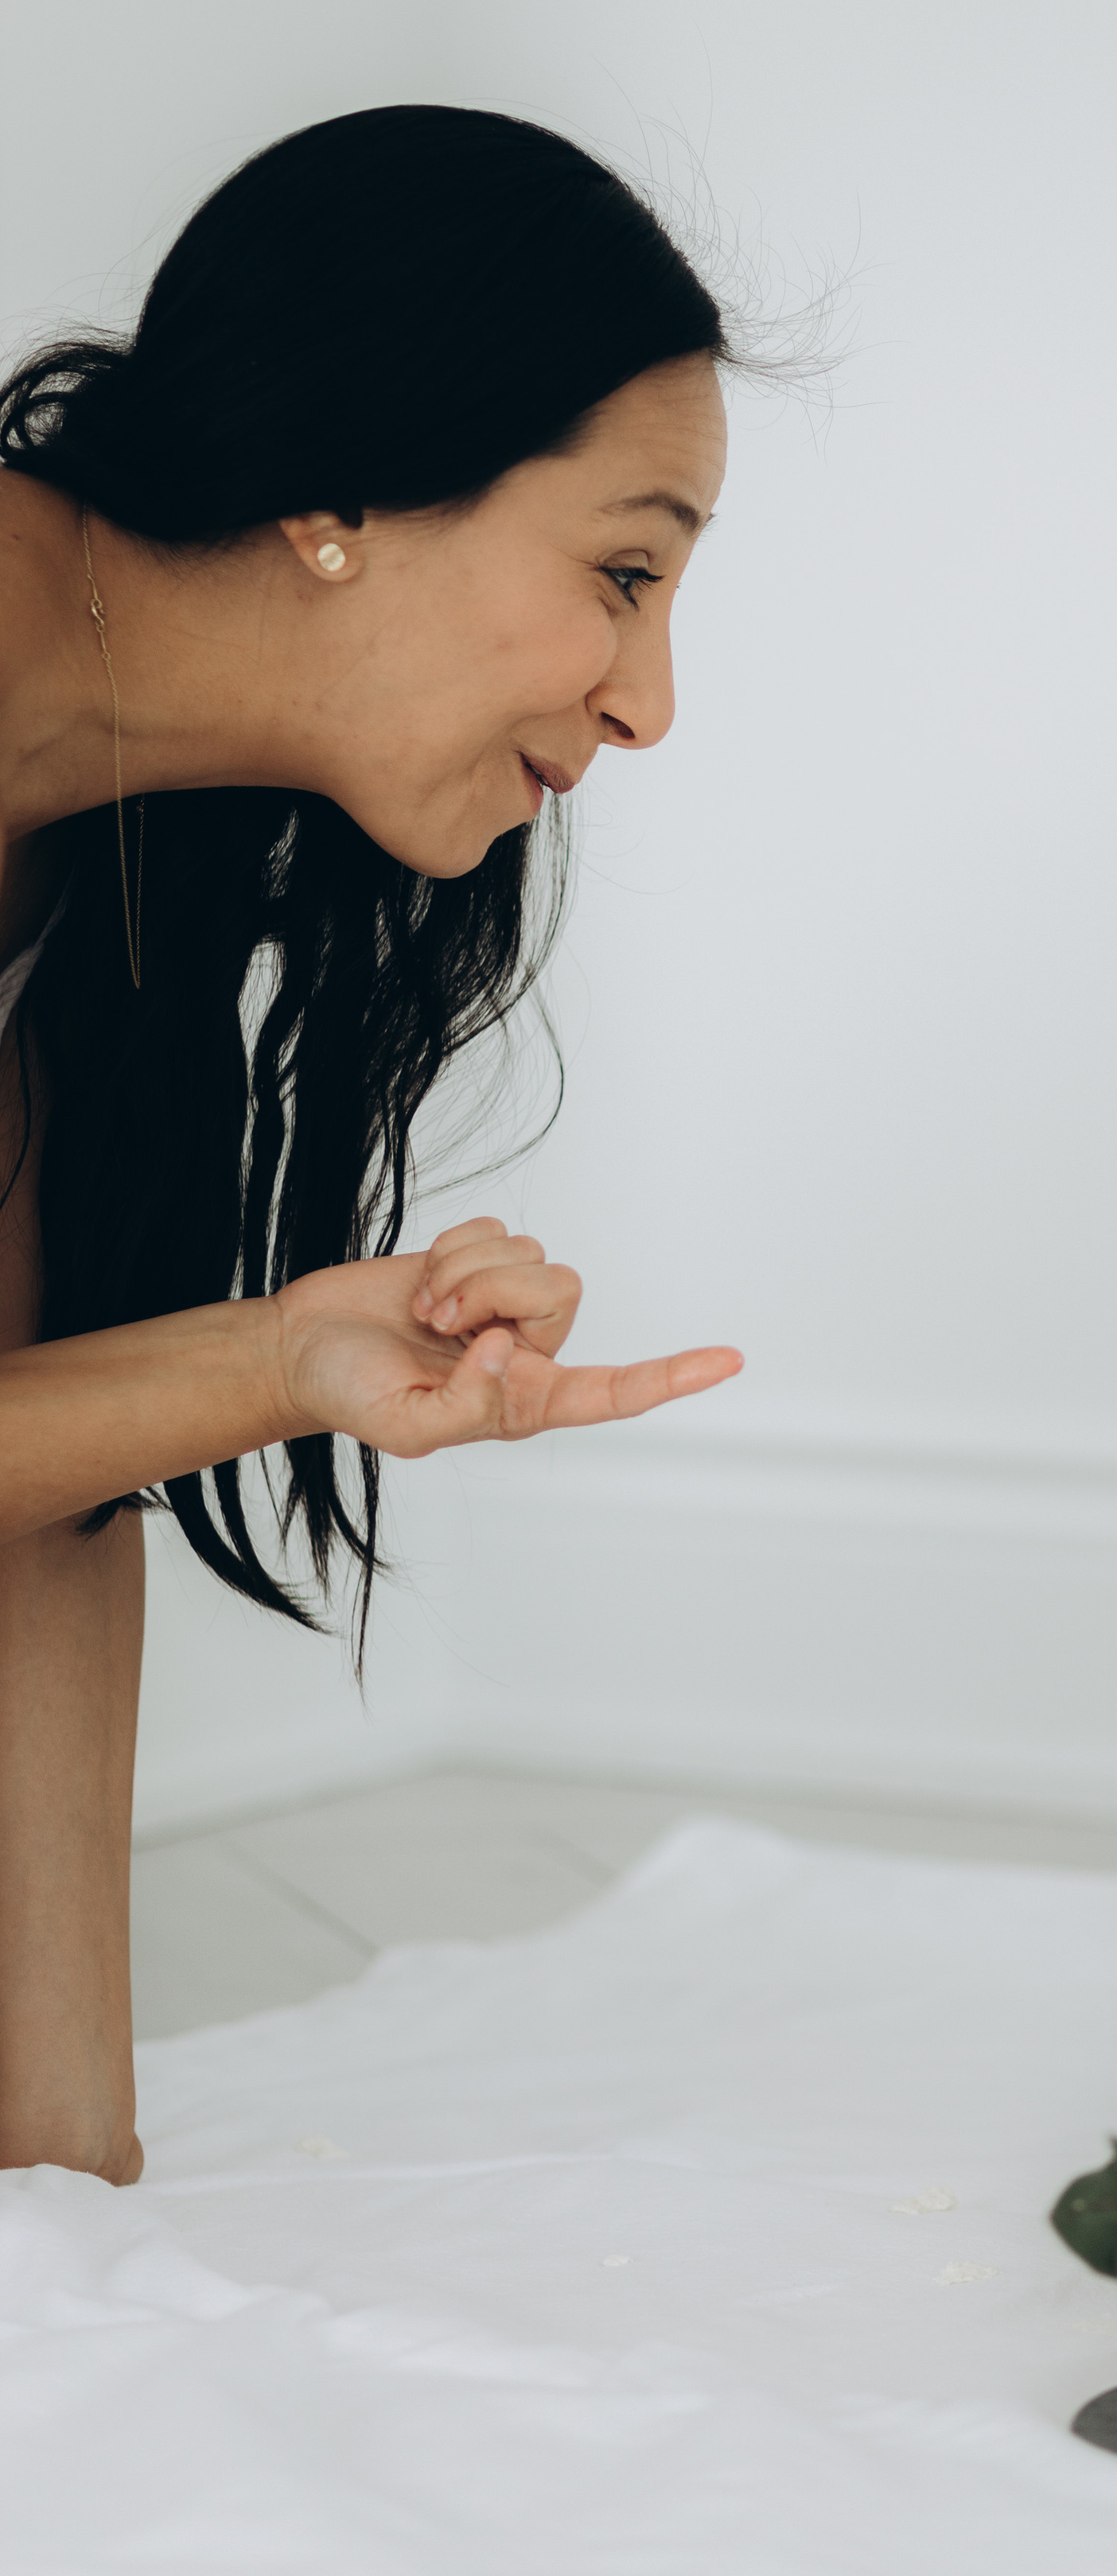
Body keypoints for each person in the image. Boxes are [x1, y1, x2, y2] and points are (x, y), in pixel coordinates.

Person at [0, 105, 744, 2186]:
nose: (652, 703)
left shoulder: (112, 827)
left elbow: (32, 1501)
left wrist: (70, 2199)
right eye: (624, 573)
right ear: (343, 488)